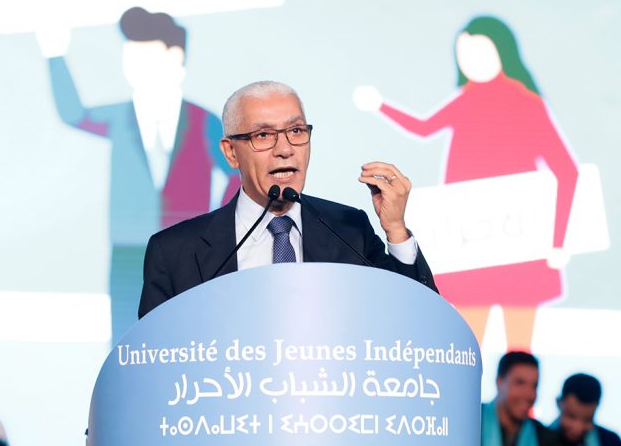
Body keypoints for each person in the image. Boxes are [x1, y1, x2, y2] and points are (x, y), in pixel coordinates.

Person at [356, 16, 581, 351]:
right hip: (470, 244)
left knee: (520, 347)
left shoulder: (525, 103)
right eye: (464, 55)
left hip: (520, 242)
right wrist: (381, 106)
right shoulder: (466, 99)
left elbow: (567, 171)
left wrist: (558, 240)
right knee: (465, 346)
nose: (470, 62)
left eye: (479, 52)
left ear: (502, 52)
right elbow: (423, 128)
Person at [137, 80, 436, 315]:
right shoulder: (174, 253)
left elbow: (413, 321)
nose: (285, 149)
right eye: (263, 135)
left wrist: (396, 229)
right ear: (231, 152)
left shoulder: (350, 231)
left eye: (296, 130)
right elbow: (152, 359)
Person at [37, 8, 240, 340]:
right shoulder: (120, 117)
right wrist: (55, 54)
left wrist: (217, 224)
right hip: (129, 251)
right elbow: (74, 114)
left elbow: (237, 172)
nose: (134, 67)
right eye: (130, 58)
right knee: (126, 339)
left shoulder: (203, 121)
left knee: (188, 336)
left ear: (175, 59)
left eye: (145, 58)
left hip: (187, 250)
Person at [482, 351, 552, 446]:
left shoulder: (544, 438)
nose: (529, 394)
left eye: (534, 386)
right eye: (520, 383)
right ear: (499, 381)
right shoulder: (470, 422)